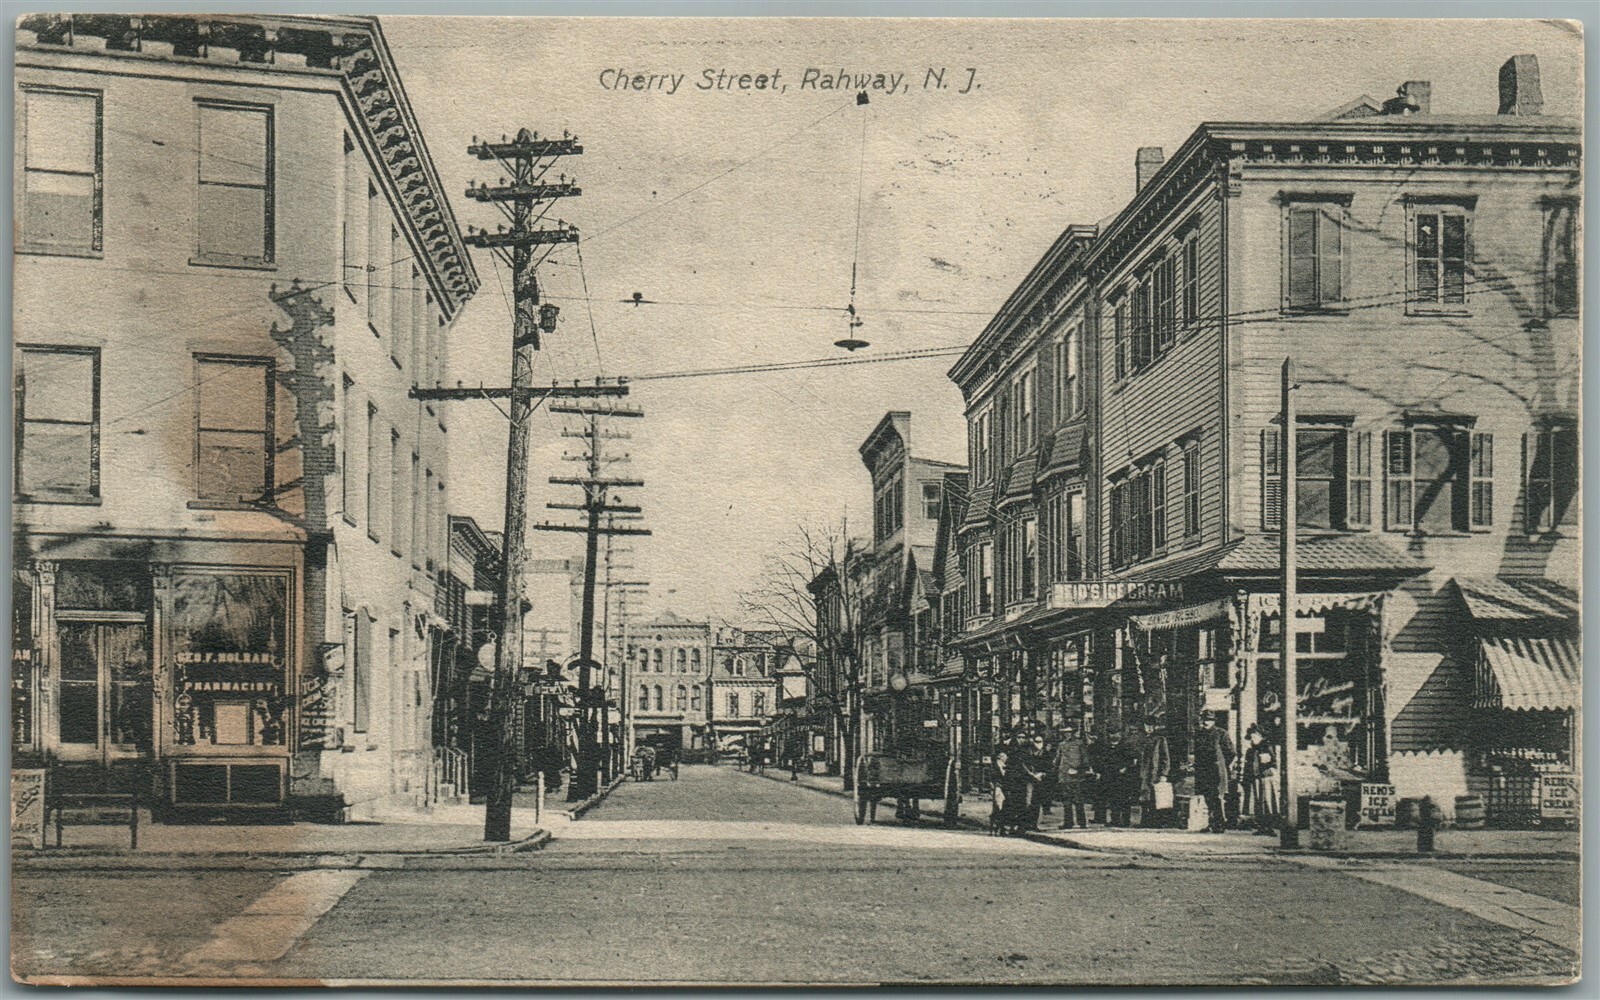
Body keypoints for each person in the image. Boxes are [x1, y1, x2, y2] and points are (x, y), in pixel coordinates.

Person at [1192, 712, 1235, 833]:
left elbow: (1231, 752)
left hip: (1216, 771)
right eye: (1204, 720)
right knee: (1207, 797)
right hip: (1203, 771)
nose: (1205, 722)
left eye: (1209, 720)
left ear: (1214, 721)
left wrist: (1221, 763)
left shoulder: (1221, 733)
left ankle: (1219, 824)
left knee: (1216, 797)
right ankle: (1211, 823)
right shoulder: (1200, 734)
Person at [1242, 724, 1279, 835]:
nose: (1253, 739)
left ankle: (1269, 827)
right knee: (1258, 803)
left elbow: (1273, 762)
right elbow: (1248, 765)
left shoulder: (1266, 746)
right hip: (1255, 778)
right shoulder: (1251, 750)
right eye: (1251, 737)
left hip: (1265, 778)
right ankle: (1261, 826)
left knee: (1267, 801)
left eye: (1255, 737)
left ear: (1261, 736)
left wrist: (1267, 765)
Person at [1052, 723, 1091, 829]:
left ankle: (1082, 822)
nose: (1067, 734)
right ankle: (1068, 822)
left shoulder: (1079, 743)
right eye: (1065, 733)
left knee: (1078, 800)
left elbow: (1085, 759)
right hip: (1064, 775)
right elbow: (1058, 759)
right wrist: (1055, 768)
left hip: (1076, 775)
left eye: (1069, 732)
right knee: (1066, 800)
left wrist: (1080, 770)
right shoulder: (1061, 744)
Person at [1138, 720, 1172, 828]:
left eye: (1151, 726)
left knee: (1155, 797)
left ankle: (1156, 822)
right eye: (1147, 726)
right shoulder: (1142, 739)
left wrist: (1164, 773)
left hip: (1154, 773)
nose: (1149, 728)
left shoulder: (1160, 740)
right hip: (1143, 773)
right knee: (1144, 798)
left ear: (1155, 727)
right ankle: (1145, 821)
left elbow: (1165, 758)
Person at [1100, 730, 1137, 827]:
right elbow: (1103, 761)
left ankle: (1125, 821)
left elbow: (1132, 761)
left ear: (1120, 735)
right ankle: (1115, 820)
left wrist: (1125, 768)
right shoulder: (1106, 747)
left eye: (1116, 733)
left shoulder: (1125, 747)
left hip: (1123, 777)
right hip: (1110, 777)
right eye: (1111, 733)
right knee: (1113, 799)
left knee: (1124, 799)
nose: (1114, 735)